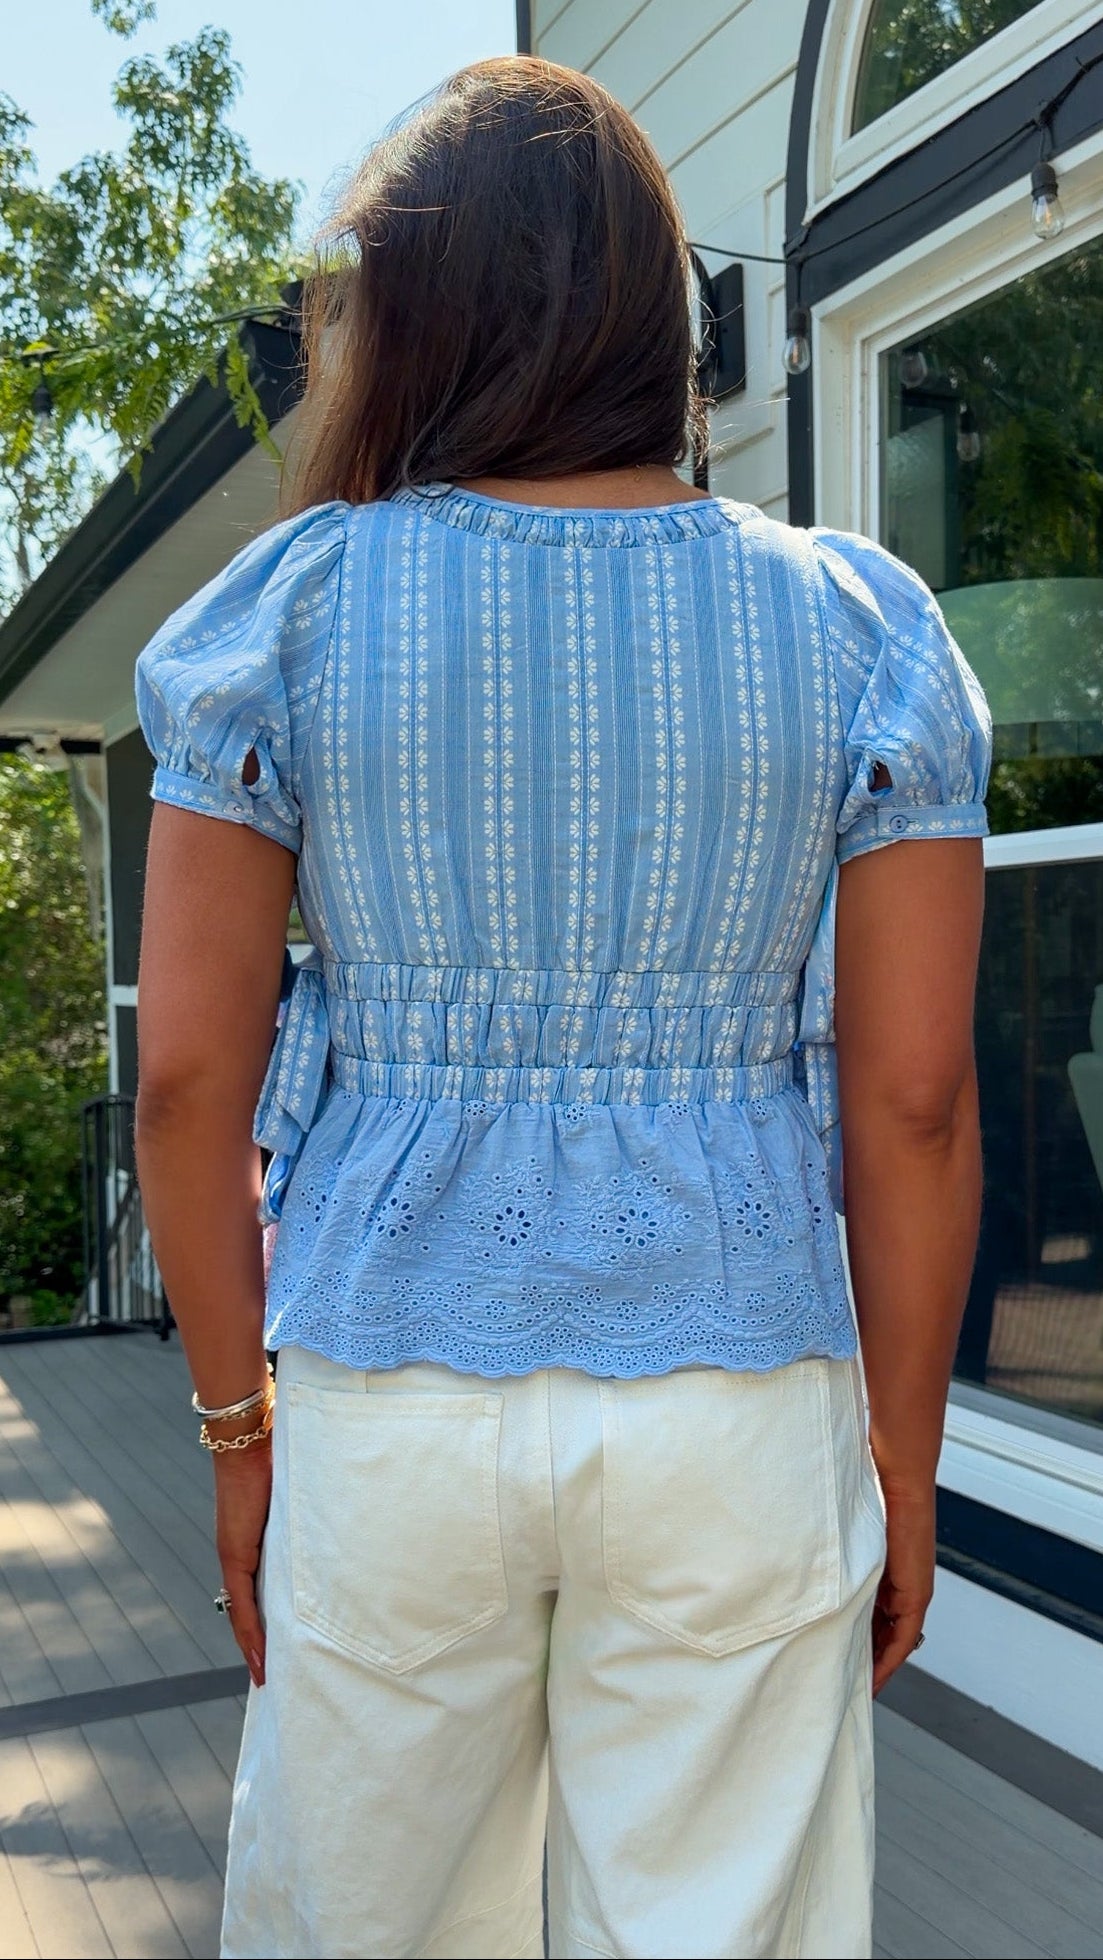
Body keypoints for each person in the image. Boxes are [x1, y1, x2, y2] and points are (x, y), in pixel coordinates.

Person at [134, 54, 991, 1960]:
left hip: (385, 1389)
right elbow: (915, 1099)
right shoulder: (859, 629)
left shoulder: (292, 609)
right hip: (739, 1386)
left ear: (414, 311)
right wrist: (902, 1460)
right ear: (653, 313)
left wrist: (234, 1435)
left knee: (360, 1924)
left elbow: (190, 1080)